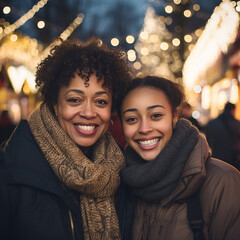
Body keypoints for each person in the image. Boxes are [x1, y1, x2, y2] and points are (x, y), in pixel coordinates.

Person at [0, 38, 133, 240]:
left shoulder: (123, 172)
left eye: (100, 101)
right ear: (55, 103)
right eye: (74, 100)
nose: (89, 112)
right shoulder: (9, 171)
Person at [117, 76, 240, 240]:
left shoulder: (223, 181)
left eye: (156, 115)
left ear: (174, 116)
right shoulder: (121, 184)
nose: (144, 128)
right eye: (132, 119)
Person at [205, 102, 240, 170]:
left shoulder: (212, 123)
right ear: (233, 110)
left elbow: (208, 139)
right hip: (234, 159)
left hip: (217, 157)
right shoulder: (237, 124)